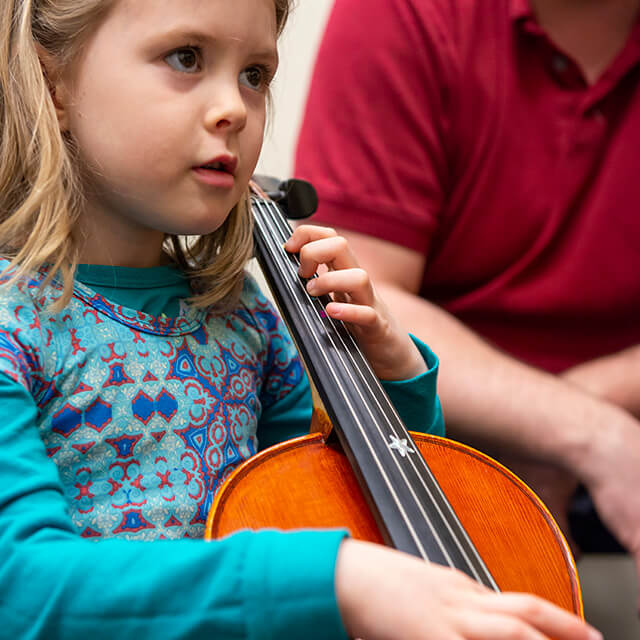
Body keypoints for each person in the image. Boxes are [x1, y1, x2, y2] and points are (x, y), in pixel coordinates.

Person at [0, 1, 602, 639]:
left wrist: (394, 375)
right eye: (186, 58)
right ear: (53, 84)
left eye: (255, 74)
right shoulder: (17, 326)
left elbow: (358, 512)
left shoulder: (247, 326)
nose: (233, 107)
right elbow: (21, 586)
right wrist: (333, 580)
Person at [295, 0, 640, 605]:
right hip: (445, 443)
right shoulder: (401, 14)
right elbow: (365, 294)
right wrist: (586, 432)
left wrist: (588, 418)